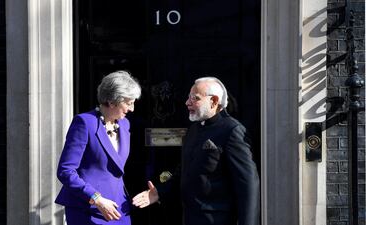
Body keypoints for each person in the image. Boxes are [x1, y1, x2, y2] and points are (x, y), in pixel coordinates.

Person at [132, 77, 260, 225]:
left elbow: (248, 184)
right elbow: (185, 172)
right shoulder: (194, 129)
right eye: (188, 97)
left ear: (214, 101)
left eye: (195, 98)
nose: (187, 103)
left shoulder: (231, 131)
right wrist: (159, 192)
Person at [55, 70, 141, 225]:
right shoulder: (84, 122)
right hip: (88, 208)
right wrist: (96, 199)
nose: (132, 109)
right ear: (112, 101)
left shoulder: (124, 124)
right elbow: (66, 171)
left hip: (118, 208)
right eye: (129, 103)